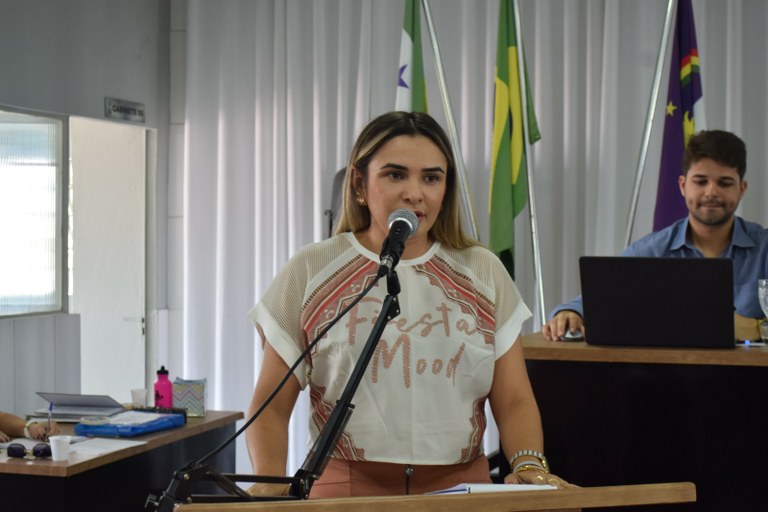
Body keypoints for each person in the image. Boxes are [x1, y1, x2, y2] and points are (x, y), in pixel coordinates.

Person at [245, 111, 573, 497]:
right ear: (359, 183)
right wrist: (268, 484)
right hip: (343, 487)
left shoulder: (483, 271)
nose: (414, 193)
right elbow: (271, 404)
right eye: (395, 175)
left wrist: (529, 464)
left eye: (431, 178)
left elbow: (514, 399)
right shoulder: (312, 268)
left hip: (462, 489)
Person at [544, 129, 768, 342]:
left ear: (742, 189)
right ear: (683, 186)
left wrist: (758, 328)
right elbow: (597, 301)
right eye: (700, 181)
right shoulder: (649, 251)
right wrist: (570, 313)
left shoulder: (764, 249)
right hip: (666, 369)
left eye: (724, 183)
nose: (711, 192)